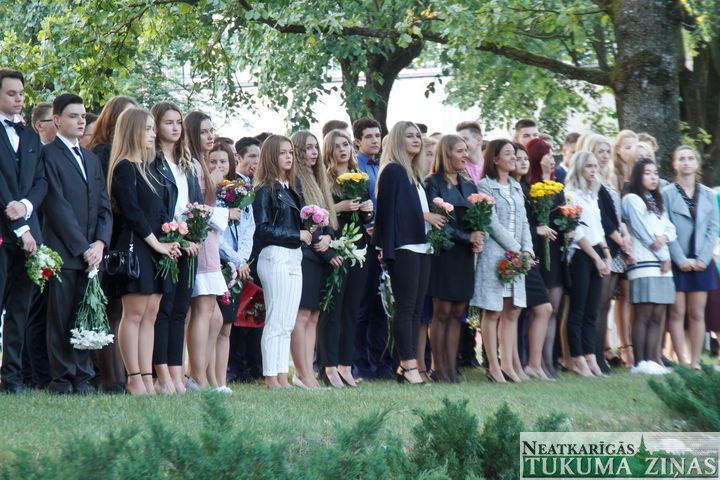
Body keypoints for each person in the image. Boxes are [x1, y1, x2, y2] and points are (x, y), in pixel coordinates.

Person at [41, 93, 113, 395]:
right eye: (73, 116)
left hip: (92, 252)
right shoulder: (48, 155)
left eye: (83, 116)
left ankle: (83, 375)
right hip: (64, 251)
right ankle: (62, 378)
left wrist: (100, 243)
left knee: (86, 313)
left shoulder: (91, 158)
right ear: (57, 120)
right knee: (61, 316)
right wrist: (83, 246)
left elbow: (103, 205)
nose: (81, 121)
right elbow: (56, 206)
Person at [107, 107, 180, 395]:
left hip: (156, 246)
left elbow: (160, 210)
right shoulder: (124, 167)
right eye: (147, 129)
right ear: (133, 131)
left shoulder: (152, 168)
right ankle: (134, 377)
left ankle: (148, 377)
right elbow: (133, 213)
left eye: (152, 128)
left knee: (151, 314)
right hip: (136, 245)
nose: (153, 134)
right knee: (134, 314)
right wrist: (157, 244)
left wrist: (172, 238)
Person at [374, 121, 437, 384]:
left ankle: (405, 366)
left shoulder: (413, 173)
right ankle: (409, 364)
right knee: (406, 306)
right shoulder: (393, 170)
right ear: (398, 141)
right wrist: (385, 249)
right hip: (404, 246)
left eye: (418, 136)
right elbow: (387, 212)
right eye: (409, 136)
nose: (416, 140)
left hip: (422, 245)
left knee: (416, 309)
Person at [470, 139, 534, 383]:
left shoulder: (516, 187)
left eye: (514, 154)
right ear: (495, 159)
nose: (514, 158)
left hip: (517, 257)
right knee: (493, 310)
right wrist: (517, 249)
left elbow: (524, 222)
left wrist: (527, 251)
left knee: (512, 310)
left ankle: (508, 365)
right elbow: (492, 223)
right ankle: (493, 366)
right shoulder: (484, 186)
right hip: (495, 256)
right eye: (508, 154)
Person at [150, 101, 202, 394]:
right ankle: (162, 376)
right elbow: (157, 207)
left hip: (189, 243)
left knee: (181, 309)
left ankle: (176, 372)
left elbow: (196, 206)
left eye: (178, 122)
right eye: (168, 122)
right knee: (165, 309)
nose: (175, 128)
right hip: (166, 242)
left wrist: (194, 236)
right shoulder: (153, 161)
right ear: (157, 125)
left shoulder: (188, 163)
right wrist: (175, 238)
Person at [252, 135, 312, 388]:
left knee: (287, 321)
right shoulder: (264, 190)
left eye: (290, 152)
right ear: (271, 156)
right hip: (275, 255)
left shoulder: (290, 189)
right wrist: (296, 234)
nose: (288, 157)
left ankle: (281, 376)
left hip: (293, 255)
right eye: (282, 153)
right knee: (276, 319)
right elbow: (262, 229)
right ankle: (271, 377)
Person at [88, 95, 139, 393]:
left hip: (120, 236)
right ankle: (110, 377)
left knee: (119, 308)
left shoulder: (124, 153)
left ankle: (120, 376)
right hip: (106, 236)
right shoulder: (103, 152)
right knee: (108, 308)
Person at [0, 69, 46, 394]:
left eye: (20, 93)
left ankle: (12, 378)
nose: (18, 99)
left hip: (29, 236)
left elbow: (41, 181)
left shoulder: (30, 137)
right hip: (5, 231)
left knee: (20, 307)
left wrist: (27, 206)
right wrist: (19, 224)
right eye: (11, 93)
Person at [424, 135, 483, 382]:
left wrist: (479, 234)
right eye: (460, 151)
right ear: (446, 153)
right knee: (442, 311)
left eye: (466, 150)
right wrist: (467, 237)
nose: (465, 155)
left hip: (464, 255)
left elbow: (477, 216)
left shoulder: (469, 184)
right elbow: (439, 222)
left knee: (458, 311)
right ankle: (439, 368)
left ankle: (451, 368)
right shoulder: (432, 182)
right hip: (444, 252)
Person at [319, 129, 373, 388]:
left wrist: (367, 211)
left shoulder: (359, 177)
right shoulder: (325, 179)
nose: (343, 149)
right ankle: (328, 366)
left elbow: (364, 218)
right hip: (336, 246)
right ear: (329, 150)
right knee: (333, 310)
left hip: (359, 247)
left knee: (352, 309)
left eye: (346, 145)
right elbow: (318, 214)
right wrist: (338, 208)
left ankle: (346, 366)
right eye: (337, 146)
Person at [576, 134, 633, 373]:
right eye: (600, 152)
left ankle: (599, 354)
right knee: (598, 305)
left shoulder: (605, 182)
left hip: (614, 249)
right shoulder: (589, 186)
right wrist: (619, 240)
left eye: (607, 151)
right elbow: (603, 221)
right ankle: (596, 355)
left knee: (605, 306)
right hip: (602, 246)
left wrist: (625, 235)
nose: (605, 156)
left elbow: (617, 216)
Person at [289, 130, 340, 389]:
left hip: (319, 256)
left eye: (315, 147)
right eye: (308, 148)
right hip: (306, 256)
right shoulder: (296, 181)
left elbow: (325, 220)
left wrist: (330, 236)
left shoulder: (317, 180)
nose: (314, 153)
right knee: (302, 314)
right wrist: (327, 251)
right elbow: (305, 222)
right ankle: (301, 372)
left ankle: (307, 372)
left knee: (314, 316)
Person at [183, 111, 230, 390]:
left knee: (215, 315)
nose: (210, 136)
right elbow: (195, 206)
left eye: (212, 130)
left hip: (210, 241)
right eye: (203, 132)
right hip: (200, 240)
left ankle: (199, 374)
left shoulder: (200, 163)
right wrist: (225, 213)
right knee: (203, 309)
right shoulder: (194, 165)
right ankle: (197, 376)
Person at [663, 146, 718, 369]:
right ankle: (682, 360)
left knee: (697, 312)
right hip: (678, 260)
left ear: (697, 163)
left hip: (702, 261)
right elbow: (666, 227)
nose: (686, 162)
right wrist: (680, 259)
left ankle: (695, 361)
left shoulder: (708, 194)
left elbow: (713, 228)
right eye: (681, 159)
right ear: (675, 164)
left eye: (690, 158)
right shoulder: (667, 193)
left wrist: (703, 258)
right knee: (677, 311)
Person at [623, 159, 676, 371]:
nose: (653, 177)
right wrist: (664, 255)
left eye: (655, 173)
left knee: (658, 314)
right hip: (645, 262)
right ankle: (640, 362)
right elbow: (643, 232)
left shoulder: (656, 201)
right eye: (647, 173)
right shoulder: (632, 199)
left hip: (663, 263)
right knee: (643, 314)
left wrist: (664, 238)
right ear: (638, 176)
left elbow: (670, 228)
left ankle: (652, 361)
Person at [564, 151, 612, 377]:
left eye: (595, 166)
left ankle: (591, 356)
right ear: (579, 168)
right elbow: (577, 232)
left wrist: (606, 254)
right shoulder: (570, 195)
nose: (594, 170)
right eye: (589, 166)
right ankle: (577, 358)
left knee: (592, 310)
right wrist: (595, 257)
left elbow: (598, 229)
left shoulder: (592, 195)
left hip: (597, 252)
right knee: (578, 309)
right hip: (581, 256)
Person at [352, 117, 392, 379]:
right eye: (369, 136)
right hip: (363, 241)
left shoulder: (385, 165)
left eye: (377, 135)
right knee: (363, 305)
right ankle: (360, 364)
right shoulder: (355, 167)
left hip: (385, 240)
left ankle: (380, 362)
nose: (375, 140)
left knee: (382, 304)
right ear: (358, 141)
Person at [207, 141, 248, 393]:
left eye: (223, 161)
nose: (219, 166)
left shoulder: (240, 189)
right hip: (217, 261)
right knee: (214, 322)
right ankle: (208, 378)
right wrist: (234, 259)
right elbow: (214, 232)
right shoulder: (208, 190)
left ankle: (221, 381)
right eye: (213, 161)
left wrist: (242, 259)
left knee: (227, 326)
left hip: (238, 265)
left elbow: (248, 225)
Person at [521, 139, 560, 380]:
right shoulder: (526, 187)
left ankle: (541, 363)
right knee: (533, 310)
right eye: (547, 154)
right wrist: (538, 229)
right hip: (529, 253)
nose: (551, 159)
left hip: (547, 252)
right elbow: (528, 222)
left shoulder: (551, 184)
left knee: (547, 308)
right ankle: (529, 362)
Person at [612, 129, 639, 367]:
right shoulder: (615, 176)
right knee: (622, 294)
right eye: (628, 146)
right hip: (620, 240)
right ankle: (624, 345)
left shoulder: (641, 175)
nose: (633, 151)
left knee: (633, 295)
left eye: (635, 146)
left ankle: (637, 343)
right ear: (619, 151)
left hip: (637, 241)